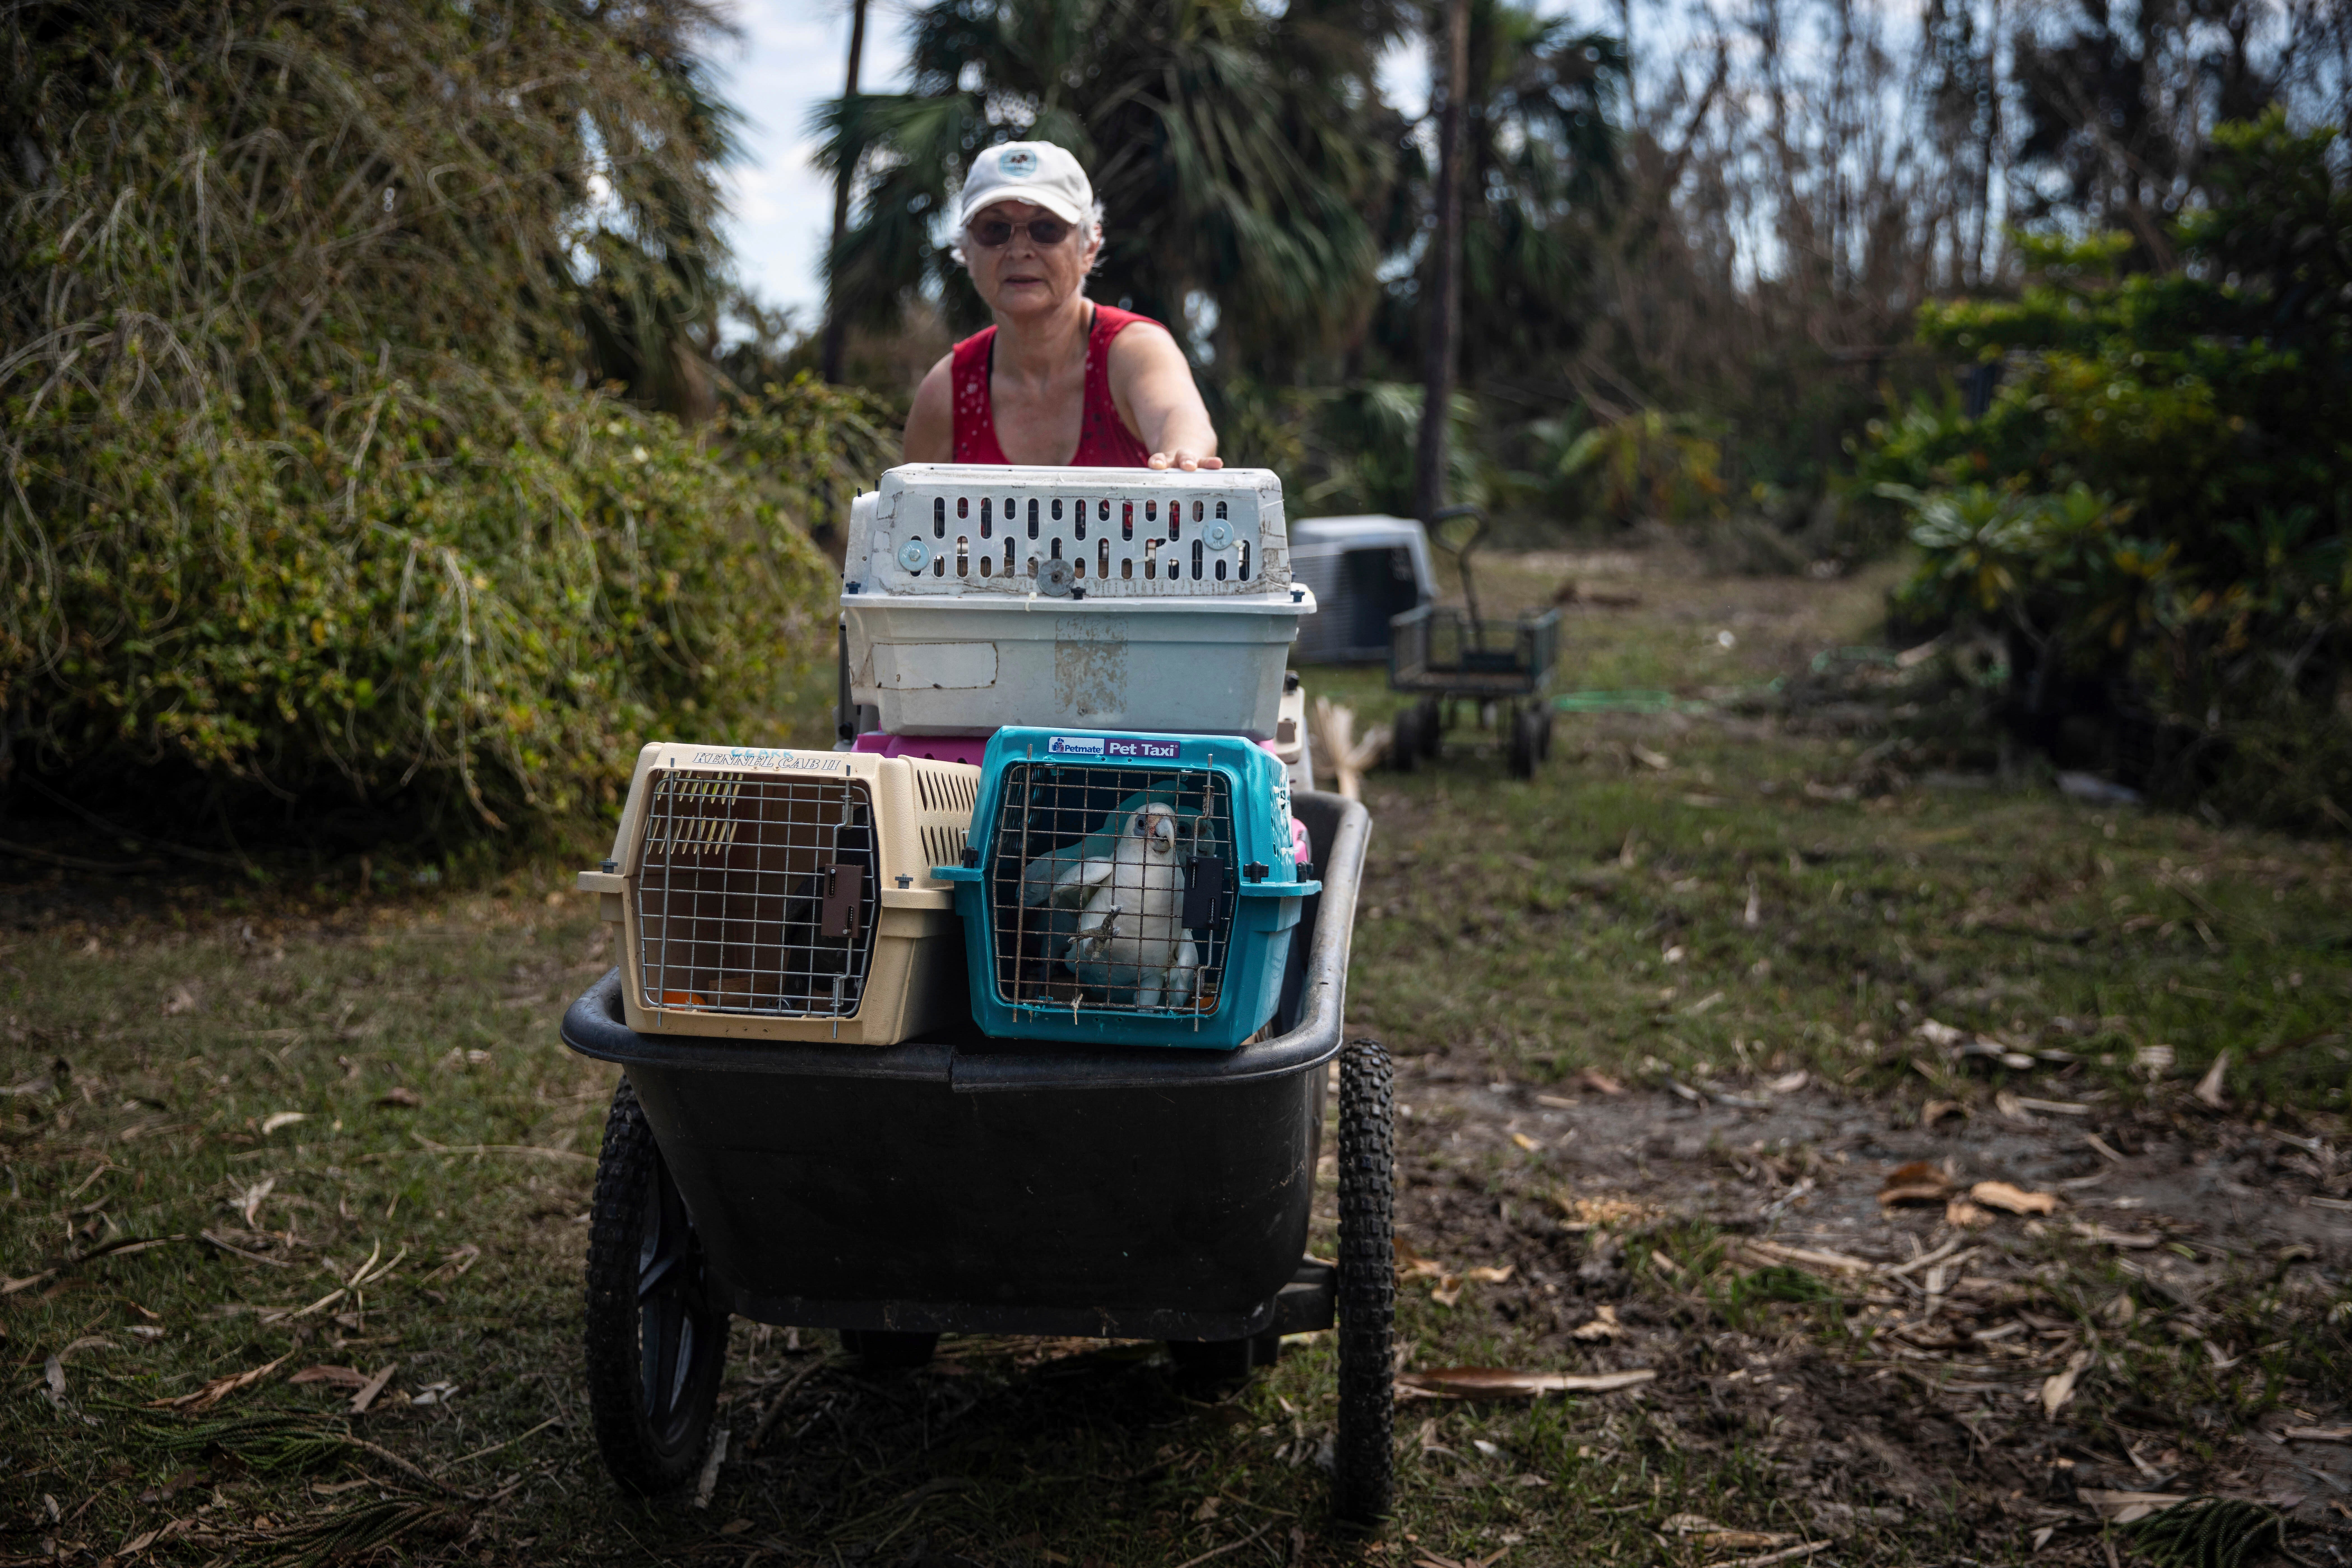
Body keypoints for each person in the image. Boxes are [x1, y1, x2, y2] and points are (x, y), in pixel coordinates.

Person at [903, 143, 1220, 471]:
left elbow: (1178, 413)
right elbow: (909, 514)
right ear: (966, 250)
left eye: (1046, 229)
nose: (1019, 251)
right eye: (995, 230)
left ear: (1089, 247)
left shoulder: (1134, 350)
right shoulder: (948, 392)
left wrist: (1183, 455)